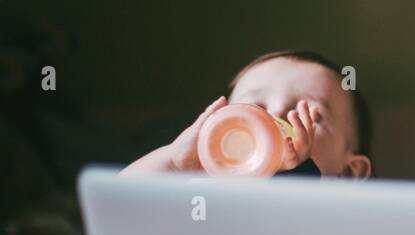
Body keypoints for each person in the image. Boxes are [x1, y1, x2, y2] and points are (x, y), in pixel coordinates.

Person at [121, 50, 374, 179]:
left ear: (348, 174)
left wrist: (297, 171)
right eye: (254, 107)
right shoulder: (203, 192)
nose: (274, 116)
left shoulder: (336, 221)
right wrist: (175, 164)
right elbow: (119, 207)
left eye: (306, 115)